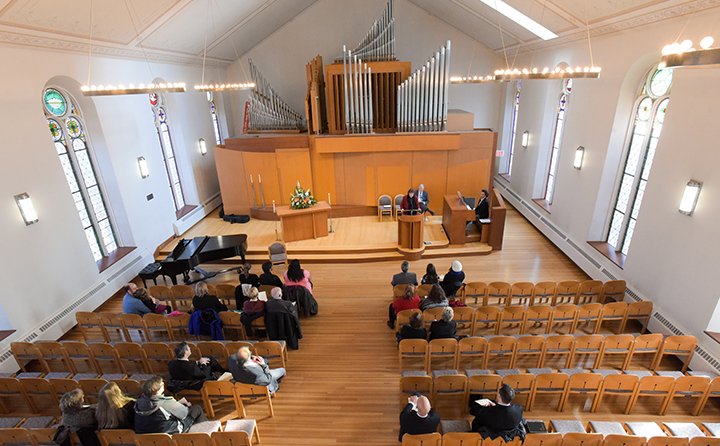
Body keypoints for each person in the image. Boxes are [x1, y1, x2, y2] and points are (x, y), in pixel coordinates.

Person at [134, 376, 207, 434]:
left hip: (144, 434)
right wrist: (186, 406)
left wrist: (175, 404)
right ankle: (204, 435)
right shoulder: (166, 403)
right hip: (167, 432)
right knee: (196, 409)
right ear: (158, 389)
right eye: (162, 384)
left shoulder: (139, 401)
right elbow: (183, 414)